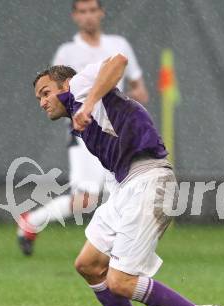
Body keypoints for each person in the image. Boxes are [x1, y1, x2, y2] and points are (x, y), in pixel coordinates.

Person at [32, 54, 224, 306]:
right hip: (126, 187)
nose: (42, 102)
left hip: (149, 181)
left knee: (121, 282)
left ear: (66, 84)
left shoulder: (81, 85)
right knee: (88, 265)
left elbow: (119, 61)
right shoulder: (79, 115)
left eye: (46, 92)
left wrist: (87, 102)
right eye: (38, 98)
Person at [17, 0, 149, 255]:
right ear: (75, 16)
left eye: (92, 10)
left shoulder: (118, 45)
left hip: (118, 133)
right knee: (86, 200)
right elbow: (54, 93)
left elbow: (138, 85)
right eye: (82, 12)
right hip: (86, 132)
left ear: (101, 13)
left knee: (121, 191)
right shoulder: (67, 52)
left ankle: (117, 252)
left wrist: (134, 98)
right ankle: (31, 222)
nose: (88, 16)